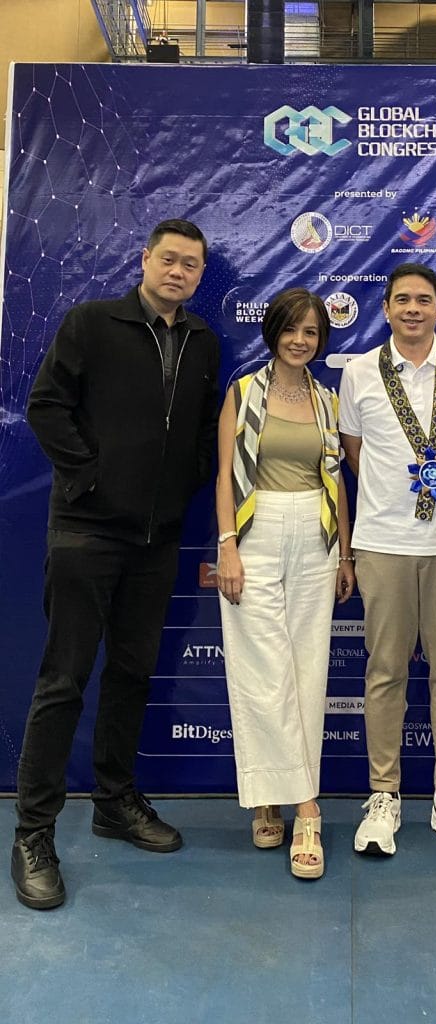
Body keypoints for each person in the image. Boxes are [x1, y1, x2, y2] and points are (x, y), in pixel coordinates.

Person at [12, 219, 220, 910]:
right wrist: (92, 480)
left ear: (200, 274)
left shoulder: (202, 341)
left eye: (191, 264)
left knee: (132, 672)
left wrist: (179, 486)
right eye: (169, 259)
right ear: (145, 259)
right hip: (87, 533)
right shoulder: (91, 323)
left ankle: (114, 801)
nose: (178, 272)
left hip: (157, 542)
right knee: (64, 680)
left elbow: (201, 432)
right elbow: (46, 406)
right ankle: (33, 834)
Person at [338, 263, 436, 859]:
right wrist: (394, 499)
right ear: (385, 308)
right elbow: (355, 452)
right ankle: (384, 796)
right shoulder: (359, 372)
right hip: (383, 542)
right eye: (402, 299)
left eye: (424, 299)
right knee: (385, 671)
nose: (412, 308)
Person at [216, 287, 354, 880]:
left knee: (306, 670)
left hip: (316, 534)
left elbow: (337, 481)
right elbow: (225, 476)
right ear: (273, 331)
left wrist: (346, 552)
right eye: (291, 329)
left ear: (321, 341)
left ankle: (281, 799)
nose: (300, 340)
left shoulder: (327, 401)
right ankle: (304, 808)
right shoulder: (243, 392)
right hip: (256, 530)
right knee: (262, 668)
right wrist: (227, 545)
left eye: (311, 332)